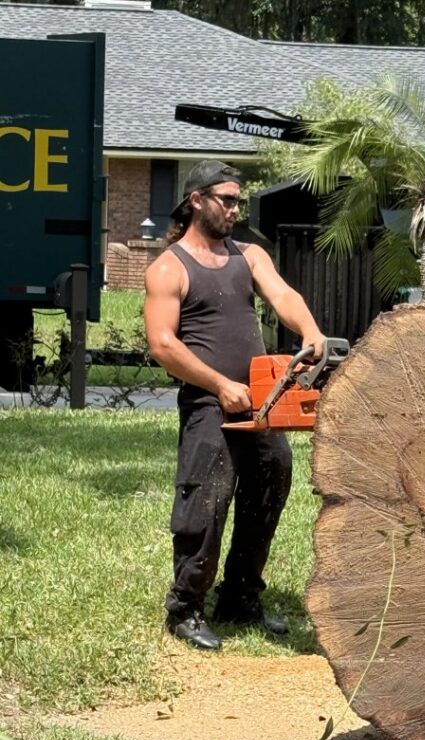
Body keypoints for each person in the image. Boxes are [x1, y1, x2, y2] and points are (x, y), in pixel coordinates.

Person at [144, 159, 325, 651]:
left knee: (270, 484)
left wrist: (309, 330)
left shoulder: (250, 255)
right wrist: (221, 384)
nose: (234, 208)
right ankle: (185, 608)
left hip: (261, 400)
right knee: (205, 503)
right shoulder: (169, 268)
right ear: (196, 200)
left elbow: (283, 296)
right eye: (226, 199)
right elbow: (162, 344)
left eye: (238, 200)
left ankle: (241, 597)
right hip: (208, 402)